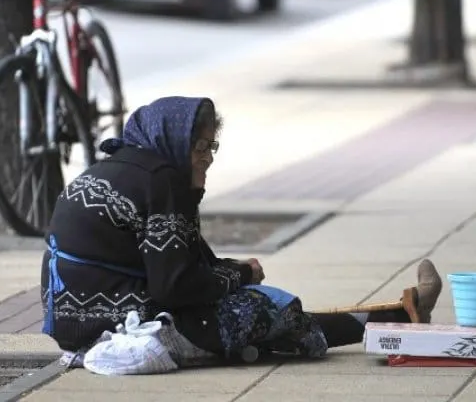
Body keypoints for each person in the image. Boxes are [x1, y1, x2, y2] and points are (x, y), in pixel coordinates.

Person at [41, 96, 443, 362]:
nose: (208, 160)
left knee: (254, 303)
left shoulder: (119, 168)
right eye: (199, 149)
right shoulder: (162, 180)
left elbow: (176, 267)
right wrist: (241, 274)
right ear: (174, 143)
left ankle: (400, 314)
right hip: (117, 327)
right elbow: (176, 288)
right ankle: (401, 320)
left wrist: (228, 274)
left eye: (211, 148)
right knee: (265, 306)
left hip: (75, 325)